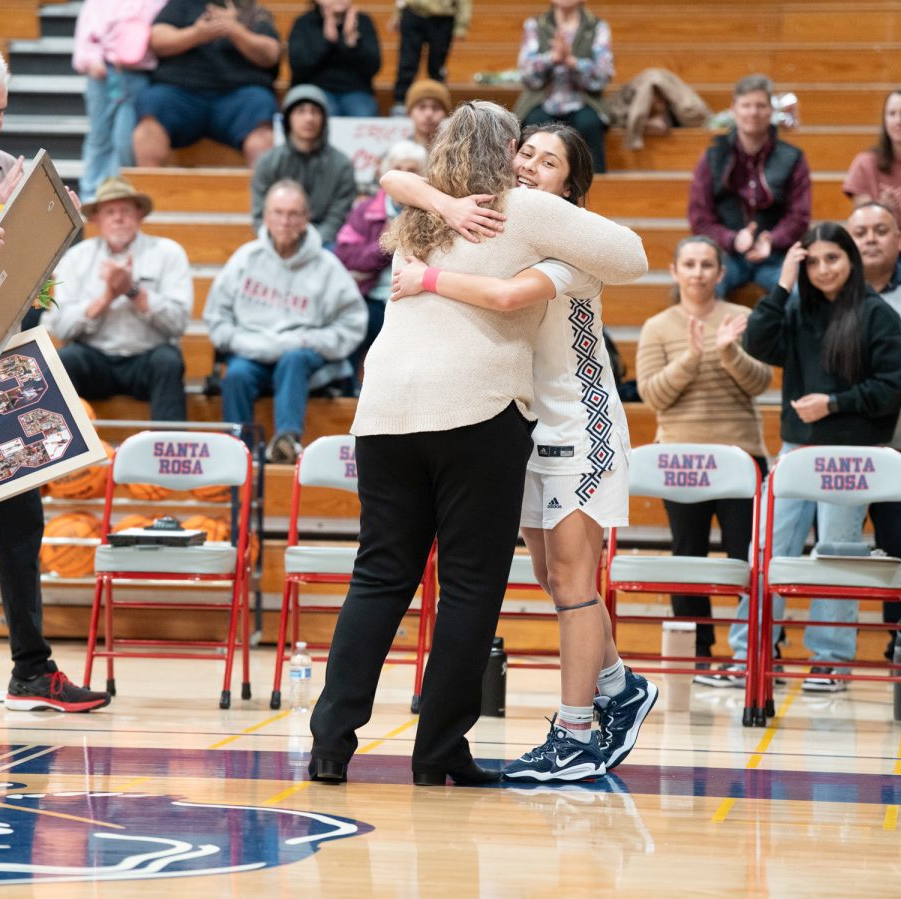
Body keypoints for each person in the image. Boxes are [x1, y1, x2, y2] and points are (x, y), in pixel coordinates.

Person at [307, 104, 646, 788]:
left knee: (377, 577)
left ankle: (329, 744)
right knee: (467, 589)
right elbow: (634, 257)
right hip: (474, 412)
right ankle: (438, 752)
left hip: (382, 415)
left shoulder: (417, 220)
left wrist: (431, 212)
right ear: (510, 149)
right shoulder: (520, 209)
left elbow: (396, 179)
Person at [0, 41, 111, 714]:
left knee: (23, 523)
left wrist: (47, 226)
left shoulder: (16, 171)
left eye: (2, 111)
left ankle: (31, 669)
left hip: (8, 364)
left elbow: (36, 286)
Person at [708, 223, 901, 692]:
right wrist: (782, 281)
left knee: (836, 554)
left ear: (850, 260)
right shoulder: (797, 308)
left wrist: (833, 403)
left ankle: (831, 660)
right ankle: (749, 653)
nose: (822, 270)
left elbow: (892, 387)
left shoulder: (877, 315)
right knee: (769, 549)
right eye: (812, 261)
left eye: (832, 259)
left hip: (850, 455)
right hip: (797, 452)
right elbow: (757, 341)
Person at [635, 236, 772, 668]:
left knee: (746, 555)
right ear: (675, 271)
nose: (697, 272)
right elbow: (653, 396)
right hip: (680, 461)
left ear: (720, 272)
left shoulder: (743, 318)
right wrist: (692, 358)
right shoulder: (658, 326)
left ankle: (751, 654)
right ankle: (697, 653)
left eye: (706, 264)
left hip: (740, 457)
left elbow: (761, 383)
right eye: (689, 264)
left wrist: (729, 352)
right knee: (688, 555)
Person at [204, 179, 366, 464]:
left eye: (293, 214)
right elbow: (217, 318)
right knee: (236, 375)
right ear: (266, 217)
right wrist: (242, 342)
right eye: (278, 213)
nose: (285, 221)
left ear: (305, 219)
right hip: (251, 351)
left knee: (292, 360)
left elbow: (353, 323)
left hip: (303, 355)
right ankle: (238, 453)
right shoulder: (245, 259)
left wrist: (309, 341)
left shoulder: (327, 266)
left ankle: (286, 443)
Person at [43, 175, 191, 419]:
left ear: (139, 214)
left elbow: (178, 324)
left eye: (125, 210)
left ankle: (168, 448)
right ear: (97, 219)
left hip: (148, 359)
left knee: (169, 361)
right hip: (95, 360)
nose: (118, 218)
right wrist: (106, 298)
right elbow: (62, 328)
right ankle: (65, 451)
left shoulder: (168, 253)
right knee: (65, 360)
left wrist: (133, 292)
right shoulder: (75, 258)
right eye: (110, 211)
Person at [849, 203, 901, 658]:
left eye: (881, 230)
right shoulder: (830, 291)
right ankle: (830, 655)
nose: (871, 239)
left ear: (899, 240)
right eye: (861, 232)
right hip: (847, 448)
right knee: (841, 552)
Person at [688, 74, 812, 299]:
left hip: (775, 256)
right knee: (699, 287)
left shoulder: (793, 157)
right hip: (725, 256)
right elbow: (699, 218)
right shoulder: (712, 157)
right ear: (733, 110)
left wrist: (771, 239)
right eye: (746, 105)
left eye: (760, 106)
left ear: (771, 111)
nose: (753, 113)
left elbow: (800, 216)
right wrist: (732, 239)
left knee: (797, 292)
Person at [131, 0, 281, 167]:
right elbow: (157, 40)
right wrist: (197, 34)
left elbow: (271, 54)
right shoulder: (181, 5)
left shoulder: (253, 11)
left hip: (238, 96)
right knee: (151, 109)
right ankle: (151, 187)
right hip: (180, 93)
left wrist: (235, 30)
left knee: (262, 108)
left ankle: (262, 190)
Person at [334, 139, 427, 387]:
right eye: (399, 169)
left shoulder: (434, 213)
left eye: (413, 170)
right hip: (371, 298)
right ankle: (347, 390)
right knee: (350, 319)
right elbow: (346, 256)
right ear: (387, 174)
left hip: (417, 300)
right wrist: (384, 244)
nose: (406, 177)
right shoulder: (366, 211)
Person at [73, 0, 169, 201]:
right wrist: (92, 61)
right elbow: (86, 36)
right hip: (103, 74)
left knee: (125, 138)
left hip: (141, 75)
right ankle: (92, 196)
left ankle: (123, 194)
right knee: (100, 136)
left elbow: (160, 35)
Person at [514, 0, 613, 173]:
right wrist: (552, 58)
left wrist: (572, 63)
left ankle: (597, 189)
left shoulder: (597, 27)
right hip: (542, 101)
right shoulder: (535, 25)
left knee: (590, 124)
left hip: (583, 101)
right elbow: (527, 75)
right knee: (533, 125)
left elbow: (603, 75)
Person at [250, 85, 356, 246]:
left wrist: (311, 244)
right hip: (277, 239)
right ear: (288, 118)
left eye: (315, 111)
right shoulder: (267, 162)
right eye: (300, 111)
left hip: (324, 243)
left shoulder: (342, 165)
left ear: (324, 119)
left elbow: (337, 217)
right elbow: (260, 214)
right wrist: (279, 239)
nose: (309, 118)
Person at [843, 90, 901, 272]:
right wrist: (881, 208)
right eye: (892, 114)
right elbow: (860, 223)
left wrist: (900, 211)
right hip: (874, 247)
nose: (898, 121)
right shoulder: (865, 162)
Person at [287, 0, 380, 117]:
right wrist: (326, 42)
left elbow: (373, 67)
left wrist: (351, 44)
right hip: (315, 89)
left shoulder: (363, 22)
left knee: (364, 113)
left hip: (356, 91)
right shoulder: (304, 22)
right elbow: (298, 66)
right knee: (322, 114)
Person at [388, 0, 469, 116]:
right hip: (412, 12)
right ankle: (400, 103)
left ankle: (439, 105)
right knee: (407, 63)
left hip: (442, 17)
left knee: (437, 67)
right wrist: (397, 15)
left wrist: (461, 25)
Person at [405, 78, 451, 150]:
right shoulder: (397, 154)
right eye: (422, 107)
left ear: (446, 113)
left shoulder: (456, 155)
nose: (428, 114)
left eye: (436, 107)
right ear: (409, 113)